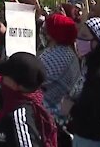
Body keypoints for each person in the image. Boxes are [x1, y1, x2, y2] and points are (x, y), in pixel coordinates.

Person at [61, 17, 100, 147]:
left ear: (99, 42)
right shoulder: (90, 69)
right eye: (79, 35)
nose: (78, 40)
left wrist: (72, 109)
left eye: (84, 36)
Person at [40, 13, 81, 147]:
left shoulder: (58, 55)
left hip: (50, 119)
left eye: (46, 29)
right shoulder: (68, 53)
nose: (43, 32)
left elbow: (31, 77)